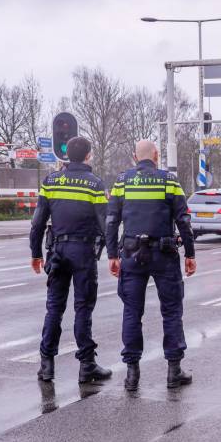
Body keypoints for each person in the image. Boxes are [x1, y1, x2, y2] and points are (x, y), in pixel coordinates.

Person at [106, 140, 197, 391]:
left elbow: (111, 220)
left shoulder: (122, 181)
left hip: (132, 254)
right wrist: (190, 253)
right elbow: (183, 220)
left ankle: (132, 374)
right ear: (156, 155)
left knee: (132, 313)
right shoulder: (169, 181)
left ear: (135, 157)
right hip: (164, 255)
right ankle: (173, 371)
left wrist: (112, 254)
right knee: (171, 311)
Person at [30, 137, 112, 383]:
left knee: (54, 308)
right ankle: (87, 366)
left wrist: (35, 253)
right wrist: (113, 253)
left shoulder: (51, 181)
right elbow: (105, 223)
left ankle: (46, 365)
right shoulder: (94, 184)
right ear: (88, 156)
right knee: (82, 308)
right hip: (83, 252)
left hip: (57, 251)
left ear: (67, 156)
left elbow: (38, 221)